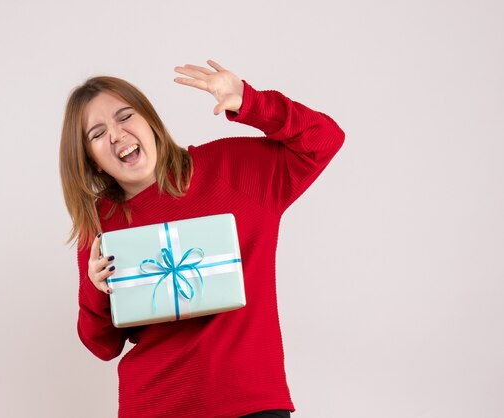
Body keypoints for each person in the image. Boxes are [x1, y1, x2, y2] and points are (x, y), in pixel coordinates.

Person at [59, 60, 345, 418]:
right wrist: (95, 288)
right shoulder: (99, 224)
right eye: (97, 134)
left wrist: (250, 102)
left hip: (250, 401)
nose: (116, 135)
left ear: (150, 121)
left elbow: (325, 139)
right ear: (92, 160)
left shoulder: (232, 168)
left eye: (125, 116)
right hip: (154, 405)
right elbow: (101, 345)